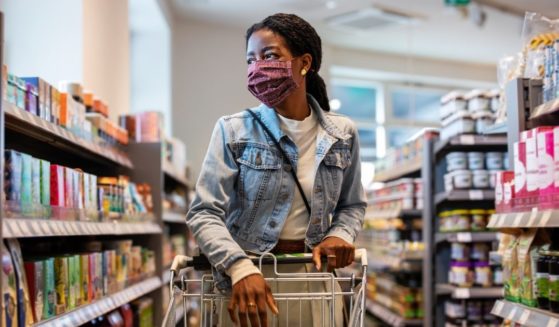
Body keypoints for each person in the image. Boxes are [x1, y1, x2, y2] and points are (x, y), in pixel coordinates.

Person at [186, 13, 367, 327]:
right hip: (248, 282)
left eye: (269, 56)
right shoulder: (233, 130)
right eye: (250, 59)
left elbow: (351, 204)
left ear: (304, 63)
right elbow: (203, 211)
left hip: (315, 280)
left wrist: (339, 235)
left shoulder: (343, 133)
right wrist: (239, 268)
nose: (257, 67)